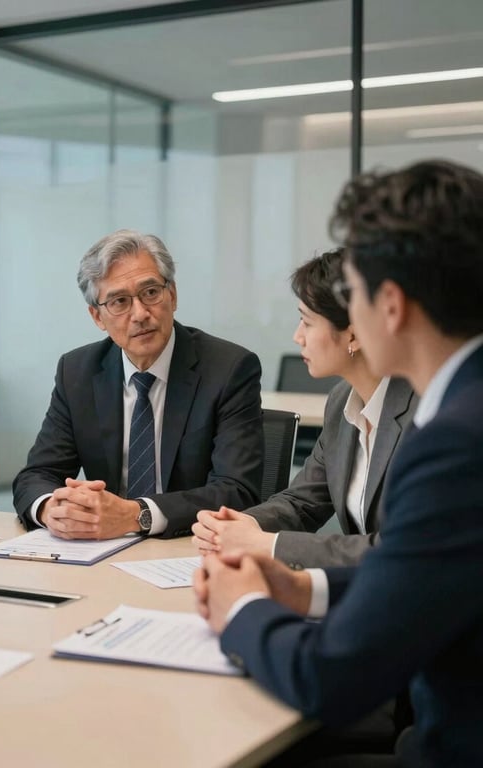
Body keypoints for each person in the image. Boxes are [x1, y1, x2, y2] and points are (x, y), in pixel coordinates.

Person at [194, 159, 483, 768]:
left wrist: (242, 608)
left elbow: (332, 677)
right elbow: (430, 569)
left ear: (391, 306)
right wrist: (304, 587)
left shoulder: (457, 442)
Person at [13, 229, 263, 540]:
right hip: (102, 551)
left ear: (172, 295)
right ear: (97, 316)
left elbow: (236, 490)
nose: (140, 314)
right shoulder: (77, 371)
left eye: (150, 293)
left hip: (187, 548)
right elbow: (37, 475)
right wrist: (53, 508)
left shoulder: (228, 369)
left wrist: (136, 515)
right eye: (119, 301)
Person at [193, 248, 417, 568]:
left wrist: (268, 544)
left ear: (353, 333)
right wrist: (240, 525)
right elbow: (302, 503)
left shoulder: (422, 412)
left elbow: (401, 547)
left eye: (307, 322)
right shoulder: (342, 401)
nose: (297, 337)